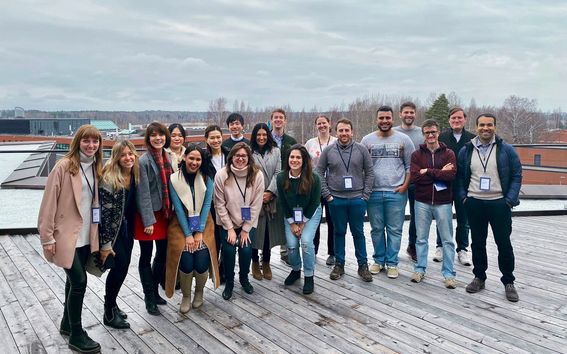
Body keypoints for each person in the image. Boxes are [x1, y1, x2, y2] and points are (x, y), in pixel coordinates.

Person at [38, 124, 103, 353]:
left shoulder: (96, 166)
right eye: (86, 141)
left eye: (95, 142)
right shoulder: (63, 167)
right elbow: (48, 205)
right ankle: (76, 334)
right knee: (79, 282)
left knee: (72, 280)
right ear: (77, 142)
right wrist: (47, 238)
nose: (91, 145)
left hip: (86, 235)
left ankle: (66, 323)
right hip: (65, 236)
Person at [458, 113, 522, 302]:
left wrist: (509, 200)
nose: (486, 128)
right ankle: (479, 277)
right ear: (476, 127)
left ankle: (508, 281)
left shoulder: (506, 150)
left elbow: (517, 175)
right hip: (475, 203)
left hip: (499, 203)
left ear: (495, 126)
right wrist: (464, 198)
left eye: (489, 125)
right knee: (477, 242)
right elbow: (460, 177)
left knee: (504, 244)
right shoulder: (466, 150)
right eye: (482, 125)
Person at [317, 118, 374, 282]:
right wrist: (327, 195)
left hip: (357, 199)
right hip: (336, 199)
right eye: (341, 130)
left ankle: (363, 265)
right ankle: (339, 264)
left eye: (346, 130)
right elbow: (319, 172)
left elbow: (370, 173)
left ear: (352, 132)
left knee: (358, 233)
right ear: (336, 132)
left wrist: (365, 196)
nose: (344, 133)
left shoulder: (362, 150)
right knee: (339, 232)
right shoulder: (328, 150)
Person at [361, 106, 415, 279]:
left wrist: (405, 186)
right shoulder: (367, 140)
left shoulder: (404, 140)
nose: (384, 121)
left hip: (396, 192)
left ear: (393, 119)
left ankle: (392, 263)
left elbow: (410, 166)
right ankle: (378, 260)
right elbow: (360, 166)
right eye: (381, 118)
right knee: (376, 229)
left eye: (387, 118)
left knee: (395, 229)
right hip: (374, 193)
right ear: (376, 119)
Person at [165, 144, 220, 313]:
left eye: (198, 159)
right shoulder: (174, 179)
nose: (194, 162)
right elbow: (179, 209)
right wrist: (188, 234)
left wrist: (199, 231)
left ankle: (199, 292)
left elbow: (206, 205)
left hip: (204, 223)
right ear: (184, 158)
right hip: (181, 225)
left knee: (202, 260)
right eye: (191, 158)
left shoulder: (206, 177)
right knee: (187, 261)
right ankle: (186, 295)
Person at [409, 120, 457, 288]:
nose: (430, 135)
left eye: (433, 132)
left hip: (443, 202)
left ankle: (449, 274)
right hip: (422, 201)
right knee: (421, 239)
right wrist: (439, 172)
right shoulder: (416, 155)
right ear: (423, 134)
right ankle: (420, 269)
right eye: (427, 132)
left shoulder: (449, 153)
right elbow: (415, 178)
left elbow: (451, 176)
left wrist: (428, 171)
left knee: (447, 240)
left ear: (438, 133)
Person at [214, 142, 264, 300]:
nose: (240, 159)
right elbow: (219, 204)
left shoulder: (257, 175)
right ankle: (229, 282)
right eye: (237, 156)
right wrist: (229, 228)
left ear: (249, 158)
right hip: (227, 221)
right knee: (228, 250)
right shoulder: (222, 175)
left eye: (243, 156)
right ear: (231, 158)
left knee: (246, 249)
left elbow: (256, 204)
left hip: (247, 222)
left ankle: (244, 279)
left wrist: (245, 229)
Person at [99, 140, 139, 329]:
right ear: (116, 157)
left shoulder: (134, 174)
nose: (128, 158)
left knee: (123, 267)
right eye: (123, 155)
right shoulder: (109, 178)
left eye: (130, 153)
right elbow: (104, 215)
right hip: (113, 232)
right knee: (119, 267)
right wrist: (105, 244)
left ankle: (113, 303)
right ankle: (108, 311)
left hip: (128, 229)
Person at [134, 122, 172, 315]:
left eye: (161, 135)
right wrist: (148, 220)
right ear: (148, 138)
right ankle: (149, 297)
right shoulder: (143, 161)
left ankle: (156, 290)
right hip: (148, 215)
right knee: (146, 256)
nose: (158, 138)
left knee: (163, 254)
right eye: (154, 135)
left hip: (164, 213)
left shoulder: (168, 156)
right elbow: (143, 193)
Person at [278, 145, 322, 294]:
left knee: (306, 242)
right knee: (291, 245)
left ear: (304, 160)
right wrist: (292, 223)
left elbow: (315, 202)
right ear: (287, 159)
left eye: (298, 157)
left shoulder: (314, 178)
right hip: (290, 215)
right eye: (292, 157)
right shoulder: (281, 177)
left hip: (310, 214)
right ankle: (296, 270)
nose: (294, 160)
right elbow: (282, 202)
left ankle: (309, 275)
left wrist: (302, 222)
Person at [437, 107, 476, 266]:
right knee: (442, 217)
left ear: (465, 119)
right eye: (453, 118)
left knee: (463, 219)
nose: (456, 121)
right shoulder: (442, 137)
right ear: (449, 120)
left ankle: (462, 249)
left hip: (464, 184)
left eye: (459, 118)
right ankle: (440, 246)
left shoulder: (472, 139)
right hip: (443, 182)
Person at [249, 123, 286, 281]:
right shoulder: (250, 152)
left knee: (268, 233)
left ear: (268, 135)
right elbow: (247, 174)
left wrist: (270, 192)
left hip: (271, 197)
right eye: (258, 135)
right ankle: (255, 262)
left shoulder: (276, 151)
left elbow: (278, 173)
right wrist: (259, 194)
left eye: (264, 134)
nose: (261, 137)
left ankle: (266, 262)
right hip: (254, 197)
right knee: (254, 231)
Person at [304, 114, 337, 266]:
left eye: (324, 123)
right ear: (315, 125)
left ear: (330, 124)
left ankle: (332, 253)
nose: (322, 126)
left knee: (333, 221)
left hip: (333, 187)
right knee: (314, 221)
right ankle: (313, 250)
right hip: (314, 187)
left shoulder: (336, 141)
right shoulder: (310, 143)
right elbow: (304, 163)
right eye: (319, 123)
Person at [393, 101, 423, 262]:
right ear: (400, 114)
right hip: (397, 182)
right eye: (406, 112)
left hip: (417, 182)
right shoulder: (393, 132)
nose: (409, 115)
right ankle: (392, 249)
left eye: (411, 112)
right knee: (395, 217)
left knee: (416, 215)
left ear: (415, 114)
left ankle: (413, 246)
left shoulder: (421, 133)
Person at [270, 108, 298, 265]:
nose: (278, 120)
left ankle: (285, 251)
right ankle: (264, 253)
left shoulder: (291, 141)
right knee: (267, 218)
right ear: (271, 120)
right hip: (269, 183)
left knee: (287, 215)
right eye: (275, 118)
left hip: (287, 184)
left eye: (281, 117)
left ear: (285, 120)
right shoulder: (265, 138)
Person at [205, 124, 226, 283]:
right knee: (214, 240)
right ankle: (215, 272)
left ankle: (225, 270)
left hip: (229, 203)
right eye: (212, 137)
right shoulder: (204, 158)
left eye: (218, 137)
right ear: (206, 139)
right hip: (211, 204)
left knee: (227, 237)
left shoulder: (229, 155)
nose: (216, 140)